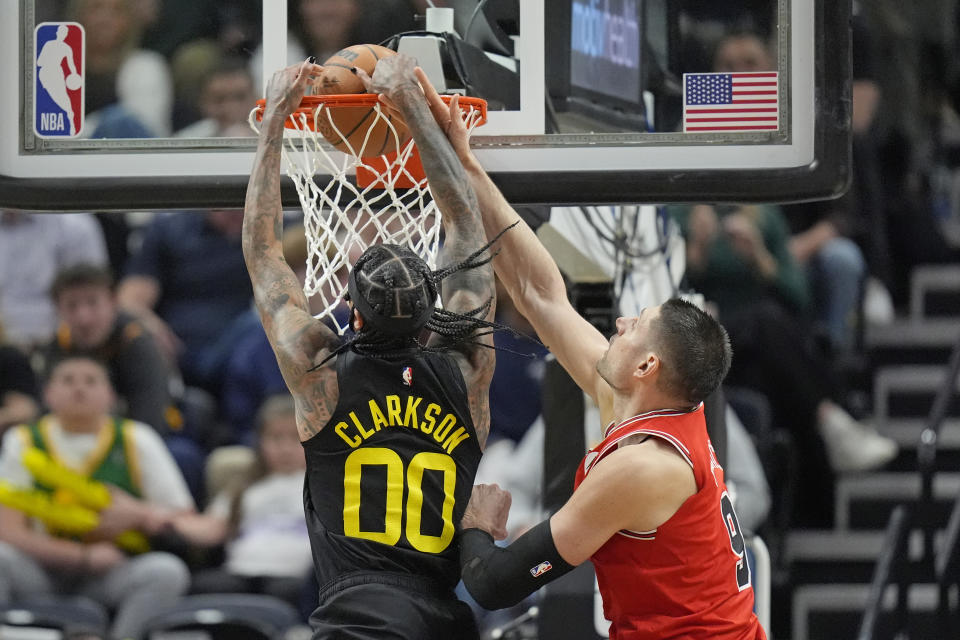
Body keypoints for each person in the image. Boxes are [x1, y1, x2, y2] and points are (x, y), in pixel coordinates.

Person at [412, 71, 765, 638]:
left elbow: (494, 581)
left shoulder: (642, 467)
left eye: (636, 325)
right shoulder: (641, 403)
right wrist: (462, 163)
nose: (621, 321)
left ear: (648, 366)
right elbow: (539, 294)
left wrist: (476, 523)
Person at [244, 56, 504, 639]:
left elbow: (264, 257)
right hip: (446, 617)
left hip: (363, 614)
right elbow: (466, 232)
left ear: (352, 309)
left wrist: (273, 127)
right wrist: (412, 106)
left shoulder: (321, 372)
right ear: (431, 309)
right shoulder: (468, 373)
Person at [0, 355, 195, 640]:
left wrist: (138, 514)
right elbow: (7, 528)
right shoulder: (23, 439)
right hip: (41, 569)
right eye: (68, 380)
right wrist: (82, 556)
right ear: (48, 394)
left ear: (111, 395)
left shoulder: (136, 437)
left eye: (91, 381)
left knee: (167, 571)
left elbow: (183, 517)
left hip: (111, 570)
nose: (79, 388)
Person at [188, 395, 313, 610]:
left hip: (295, 576)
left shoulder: (321, 486)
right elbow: (212, 527)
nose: (285, 448)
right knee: (204, 586)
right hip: (240, 571)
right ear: (260, 442)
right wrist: (162, 520)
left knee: (290, 592)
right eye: (275, 438)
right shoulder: (245, 487)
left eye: (295, 438)